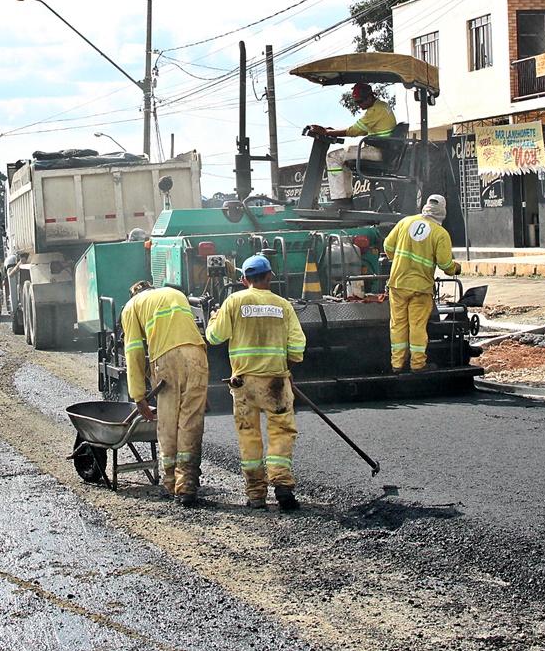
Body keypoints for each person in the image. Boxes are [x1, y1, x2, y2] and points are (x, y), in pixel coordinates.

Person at [205, 254, 306, 511]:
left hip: (243, 383)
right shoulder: (283, 305)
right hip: (275, 383)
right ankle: (282, 485)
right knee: (282, 432)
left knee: (249, 436)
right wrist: (286, 368)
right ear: (270, 276)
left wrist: (215, 317)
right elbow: (297, 346)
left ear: (243, 279)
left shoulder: (234, 301)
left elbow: (215, 337)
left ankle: (256, 495)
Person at [120, 280, 210, 506]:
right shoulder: (175, 293)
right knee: (191, 421)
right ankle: (188, 483)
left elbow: (134, 351)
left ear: (134, 293)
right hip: (198, 355)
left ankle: (171, 482)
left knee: (168, 422)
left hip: (168, 360)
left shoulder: (132, 307)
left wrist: (138, 394)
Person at [384, 194, 462, 373]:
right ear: (443, 211)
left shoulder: (405, 222)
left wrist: (397, 260)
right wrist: (456, 268)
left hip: (398, 283)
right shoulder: (440, 234)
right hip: (420, 288)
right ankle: (418, 365)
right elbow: (445, 264)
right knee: (417, 325)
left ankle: (397, 364)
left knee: (398, 324)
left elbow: (388, 247)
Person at [302, 82, 397, 208]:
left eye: (359, 102)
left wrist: (326, 132)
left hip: (377, 151)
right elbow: (362, 129)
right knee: (344, 161)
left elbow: (354, 131)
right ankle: (346, 200)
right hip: (381, 149)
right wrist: (331, 131)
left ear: (369, 97)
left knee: (333, 157)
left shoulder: (375, 111)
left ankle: (340, 201)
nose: (358, 105)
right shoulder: (381, 106)